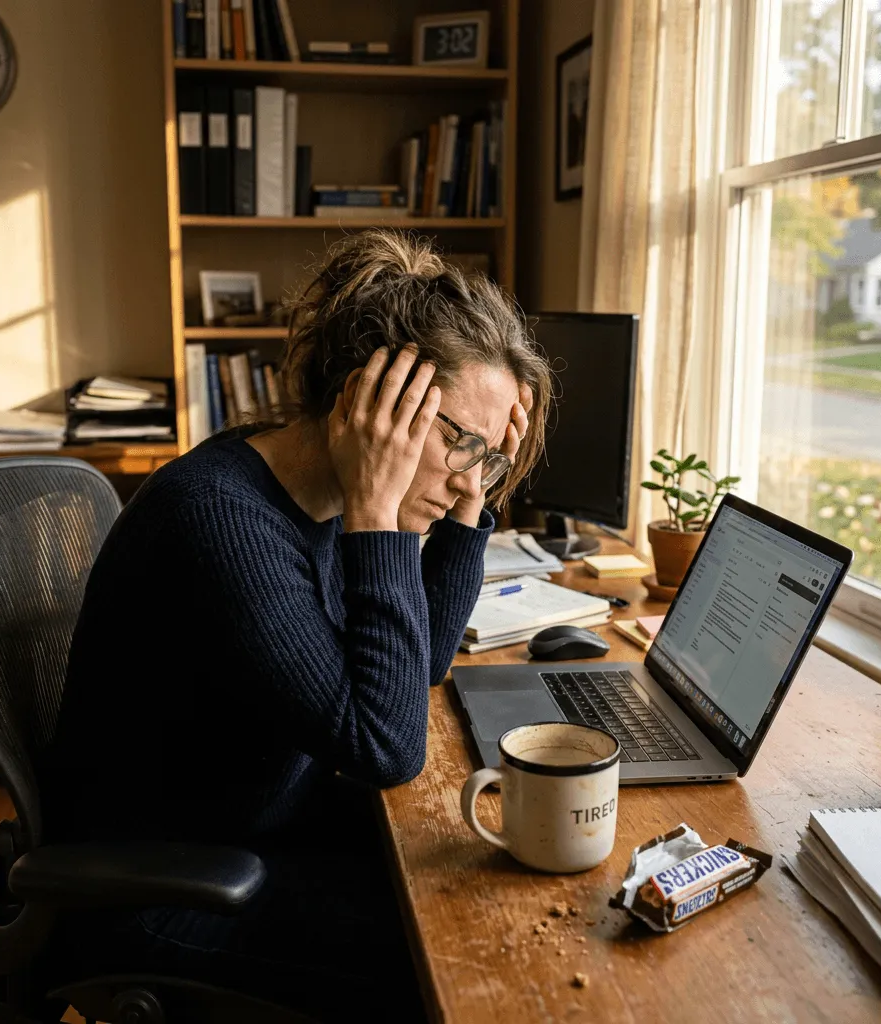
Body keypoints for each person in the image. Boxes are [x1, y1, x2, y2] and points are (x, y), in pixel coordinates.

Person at [41, 230, 552, 1021]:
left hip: (258, 832)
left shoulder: (309, 494)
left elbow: (422, 665)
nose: (467, 473)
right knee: (473, 969)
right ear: (367, 404)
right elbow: (385, 748)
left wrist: (469, 503)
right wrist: (380, 516)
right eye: (460, 441)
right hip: (163, 895)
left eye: (487, 454)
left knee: (502, 893)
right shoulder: (218, 517)